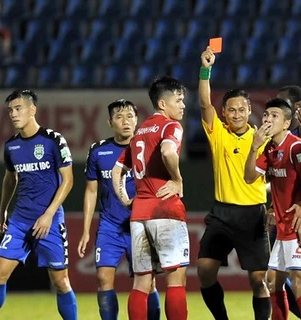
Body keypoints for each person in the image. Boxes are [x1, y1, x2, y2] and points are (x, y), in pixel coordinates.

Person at [0, 89, 77, 320]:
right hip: (20, 221)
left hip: (50, 222)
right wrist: (3, 211)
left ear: (32, 110)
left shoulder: (53, 140)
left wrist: (49, 215)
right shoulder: (11, 146)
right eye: (10, 111)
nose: (13, 114)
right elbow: (10, 178)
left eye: (18, 109)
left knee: (61, 282)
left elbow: (68, 180)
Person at [197, 47, 271, 320]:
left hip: (253, 213)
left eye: (242, 109)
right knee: (205, 272)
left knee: (259, 280)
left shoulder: (263, 138)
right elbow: (205, 104)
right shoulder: (218, 134)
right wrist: (206, 69)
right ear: (224, 113)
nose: (237, 114)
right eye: (232, 110)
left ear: (250, 110)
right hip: (222, 214)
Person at [112, 76, 189, 320]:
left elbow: (117, 171)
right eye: (178, 100)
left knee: (141, 282)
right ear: (163, 104)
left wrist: (126, 200)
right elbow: (167, 151)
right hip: (165, 210)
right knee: (175, 280)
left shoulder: (139, 132)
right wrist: (177, 180)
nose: (183, 105)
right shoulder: (170, 126)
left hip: (139, 215)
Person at [77, 99, 160, 320]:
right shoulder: (98, 151)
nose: (125, 121)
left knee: (148, 283)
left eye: (130, 116)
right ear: (110, 122)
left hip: (141, 224)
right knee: (104, 279)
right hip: (110, 226)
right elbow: (91, 191)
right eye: (119, 117)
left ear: (137, 120)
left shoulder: (149, 148)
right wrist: (85, 230)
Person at [244, 98, 301, 320]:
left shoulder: (296, 147)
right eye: (266, 115)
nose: (267, 119)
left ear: (286, 123)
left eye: (274, 115)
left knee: (299, 284)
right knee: (273, 282)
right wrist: (254, 146)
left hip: (299, 228)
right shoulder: (269, 148)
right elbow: (249, 177)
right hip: (284, 229)